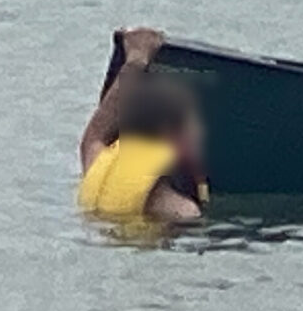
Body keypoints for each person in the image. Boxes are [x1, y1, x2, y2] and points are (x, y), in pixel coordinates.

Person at [77, 26, 208, 225]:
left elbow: (95, 134)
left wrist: (136, 60)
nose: (201, 133)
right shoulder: (181, 211)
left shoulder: (96, 162)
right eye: (194, 127)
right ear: (171, 133)